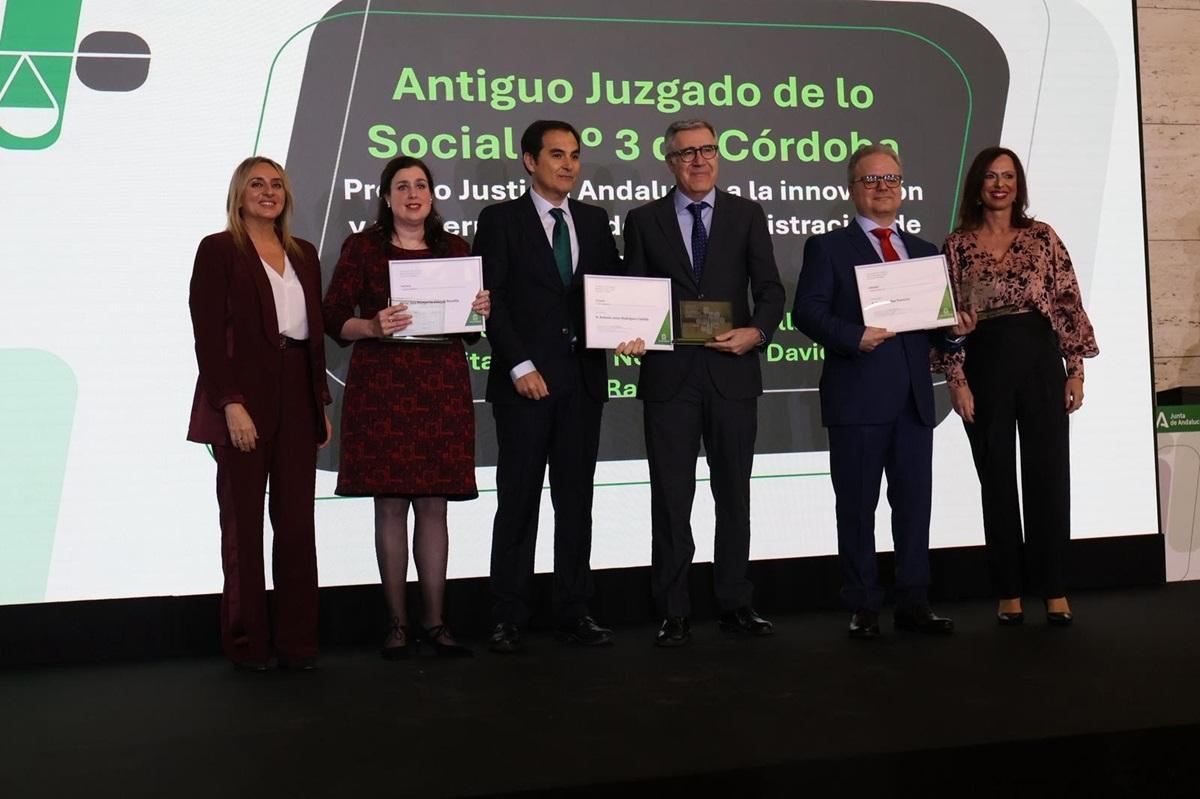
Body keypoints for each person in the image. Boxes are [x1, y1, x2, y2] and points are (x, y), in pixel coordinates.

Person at [792, 143, 972, 639]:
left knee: (915, 507)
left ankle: (914, 601)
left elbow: (938, 330)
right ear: (852, 189)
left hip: (915, 403)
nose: (882, 189)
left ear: (902, 187)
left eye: (891, 179)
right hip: (857, 400)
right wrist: (854, 336)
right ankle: (864, 605)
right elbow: (806, 311)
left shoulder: (925, 252)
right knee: (856, 507)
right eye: (872, 180)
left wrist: (956, 331)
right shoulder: (827, 247)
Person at [623, 119, 785, 647]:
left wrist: (757, 332)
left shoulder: (746, 214)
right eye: (687, 153)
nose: (699, 160)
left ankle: (736, 602)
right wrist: (629, 332)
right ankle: (673, 609)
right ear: (669, 161)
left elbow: (769, 289)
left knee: (733, 495)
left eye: (708, 150)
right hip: (669, 378)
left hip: (732, 372)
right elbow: (634, 296)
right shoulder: (643, 220)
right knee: (671, 498)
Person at [323, 156, 491, 658]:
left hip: (441, 386)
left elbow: (475, 337)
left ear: (433, 196)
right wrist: (372, 326)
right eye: (402, 186)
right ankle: (396, 625)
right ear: (387, 197)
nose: (413, 193)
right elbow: (334, 317)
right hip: (383, 388)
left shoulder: (455, 249)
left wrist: (480, 313)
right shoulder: (363, 248)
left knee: (435, 505)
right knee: (391, 504)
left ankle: (436, 623)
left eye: (421, 185)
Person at [474, 120, 624, 654]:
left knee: (576, 503)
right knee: (518, 502)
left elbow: (612, 291)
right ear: (529, 161)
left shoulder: (593, 219)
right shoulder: (500, 220)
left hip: (582, 383)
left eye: (575, 155)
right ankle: (508, 615)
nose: (568, 164)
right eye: (556, 154)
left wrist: (633, 328)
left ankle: (574, 610)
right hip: (524, 386)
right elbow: (492, 301)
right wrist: (519, 366)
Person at [939, 146, 1098, 626]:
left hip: (1038, 359)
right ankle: (1008, 589)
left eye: (1008, 176)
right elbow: (946, 321)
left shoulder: (1042, 237)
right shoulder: (956, 245)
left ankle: (1053, 587)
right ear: (977, 185)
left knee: (1048, 473)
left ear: (1019, 184)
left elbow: (1067, 301)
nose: (1000, 184)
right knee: (997, 478)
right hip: (984, 360)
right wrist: (957, 380)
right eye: (990, 176)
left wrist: (1075, 368)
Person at [188, 156, 333, 670]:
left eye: (276, 184)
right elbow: (208, 336)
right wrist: (229, 403)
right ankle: (249, 644)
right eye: (257, 184)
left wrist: (318, 400)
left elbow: (313, 334)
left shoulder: (305, 254)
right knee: (243, 526)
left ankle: (297, 642)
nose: (268, 192)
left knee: (296, 526)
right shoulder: (219, 250)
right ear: (239, 194)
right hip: (243, 397)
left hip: (297, 392)